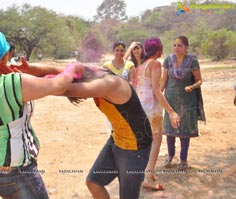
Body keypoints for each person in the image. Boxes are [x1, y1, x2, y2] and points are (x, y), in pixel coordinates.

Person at [0, 27, 83, 199]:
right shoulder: (12, 83)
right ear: (2, 56)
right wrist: (73, 67)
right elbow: (59, 84)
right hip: (16, 171)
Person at [62, 64, 152, 199]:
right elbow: (56, 71)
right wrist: (27, 71)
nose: (85, 98)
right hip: (117, 139)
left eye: (83, 95)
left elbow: (62, 89)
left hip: (135, 146)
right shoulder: (91, 75)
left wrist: (28, 87)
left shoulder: (110, 84)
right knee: (93, 183)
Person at [136, 37, 180, 191]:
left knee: (148, 140)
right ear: (159, 49)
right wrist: (171, 111)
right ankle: (147, 178)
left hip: (142, 105)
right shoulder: (155, 64)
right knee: (156, 140)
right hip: (152, 108)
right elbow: (156, 89)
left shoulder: (142, 65)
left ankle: (149, 171)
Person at [161, 35, 205, 170]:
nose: (176, 48)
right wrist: (158, 95)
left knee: (184, 132)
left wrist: (192, 86)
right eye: (174, 45)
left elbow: (199, 80)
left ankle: (183, 159)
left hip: (187, 100)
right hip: (171, 100)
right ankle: (170, 156)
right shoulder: (168, 60)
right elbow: (164, 81)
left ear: (186, 47)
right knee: (170, 131)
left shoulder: (192, 61)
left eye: (179, 45)